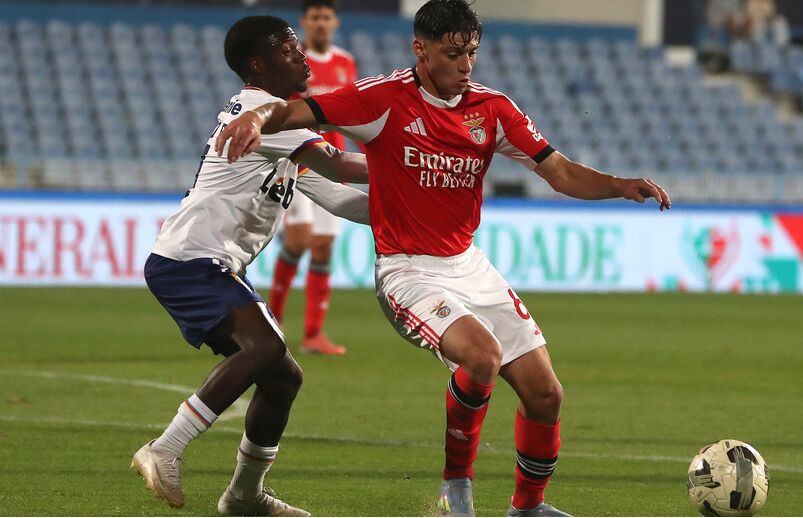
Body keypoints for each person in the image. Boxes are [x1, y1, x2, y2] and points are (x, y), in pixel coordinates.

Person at [216, 1, 672, 516]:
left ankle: (527, 508)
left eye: (472, 52)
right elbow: (300, 111)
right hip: (408, 269)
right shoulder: (383, 98)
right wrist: (258, 114)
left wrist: (619, 185)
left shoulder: (493, 109)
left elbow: (559, 171)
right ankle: (454, 491)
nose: (466, 64)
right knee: (480, 357)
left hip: (468, 264)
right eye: (453, 53)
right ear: (422, 49)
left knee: (546, 394)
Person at [131, 15, 370, 516]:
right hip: (191, 259)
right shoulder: (266, 110)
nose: (302, 56)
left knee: (282, 378)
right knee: (265, 346)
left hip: (202, 263)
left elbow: (338, 197)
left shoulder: (275, 126)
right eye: (288, 50)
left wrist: (420, 205)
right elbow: (344, 166)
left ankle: (244, 496)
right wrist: (421, 165)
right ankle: (164, 448)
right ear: (259, 65)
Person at [269, 0, 360, 356]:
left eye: (327, 17)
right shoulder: (291, 60)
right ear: (304, 22)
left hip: (332, 160)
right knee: (298, 241)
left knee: (322, 247)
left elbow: (352, 111)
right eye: (315, 17)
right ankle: (272, 323)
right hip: (298, 158)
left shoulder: (345, 62)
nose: (321, 23)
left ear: (335, 22)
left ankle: (312, 335)